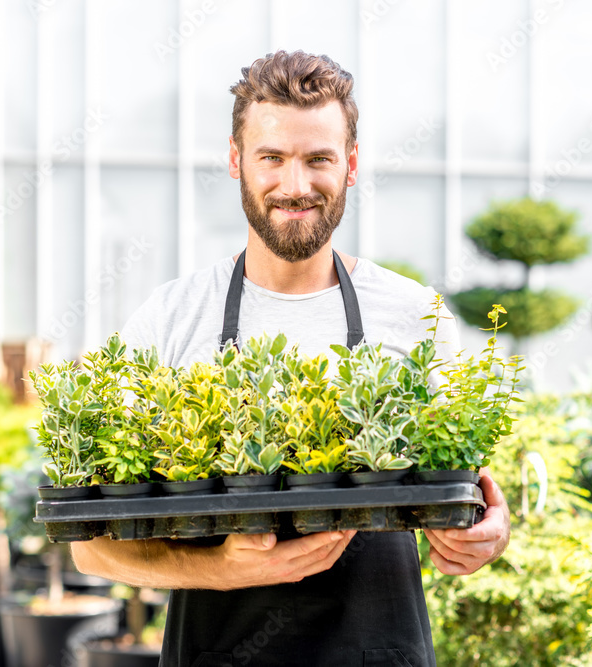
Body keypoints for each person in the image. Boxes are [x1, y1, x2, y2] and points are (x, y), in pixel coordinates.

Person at [71, 50, 511, 667]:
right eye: (272, 158)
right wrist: (219, 568)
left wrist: (486, 533)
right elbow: (91, 550)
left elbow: (466, 497)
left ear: (350, 165)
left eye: (319, 159)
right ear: (236, 160)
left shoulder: (415, 316)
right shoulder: (171, 320)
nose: (296, 185)